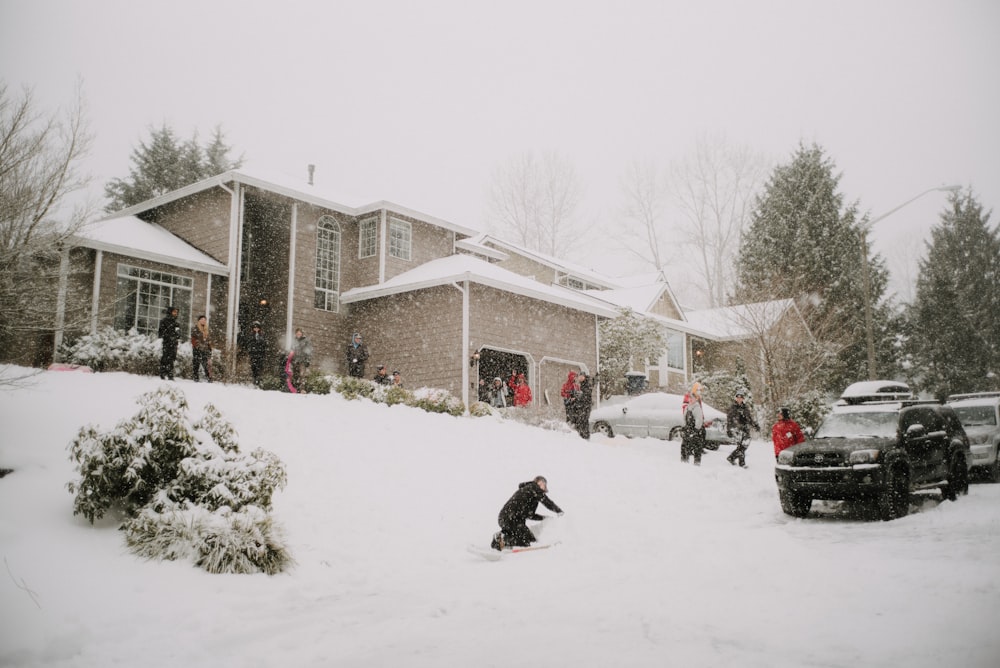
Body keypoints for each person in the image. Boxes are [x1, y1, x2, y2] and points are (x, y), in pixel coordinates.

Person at [491, 475, 564, 551]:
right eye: (540, 482)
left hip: (506, 518)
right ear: (535, 482)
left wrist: (544, 518)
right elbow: (546, 501)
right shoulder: (533, 487)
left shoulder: (529, 494)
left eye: (544, 484)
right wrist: (559, 511)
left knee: (525, 539)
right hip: (511, 518)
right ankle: (503, 540)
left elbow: (530, 515)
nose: (541, 485)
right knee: (529, 540)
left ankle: (499, 540)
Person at [726, 390, 760, 467]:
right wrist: (729, 429)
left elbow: (749, 418)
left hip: (745, 429)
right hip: (737, 429)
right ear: (736, 398)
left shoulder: (745, 408)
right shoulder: (733, 408)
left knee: (744, 446)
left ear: (743, 398)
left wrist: (755, 425)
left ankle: (732, 457)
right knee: (741, 446)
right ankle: (741, 463)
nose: (739, 399)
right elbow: (729, 419)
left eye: (741, 397)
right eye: (738, 397)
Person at [682, 381, 710, 465]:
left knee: (698, 444)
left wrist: (701, 422)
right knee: (685, 446)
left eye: (700, 390)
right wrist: (686, 426)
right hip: (689, 426)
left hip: (696, 427)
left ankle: (696, 462)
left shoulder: (698, 399)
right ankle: (684, 461)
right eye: (698, 390)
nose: (699, 392)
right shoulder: (689, 397)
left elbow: (699, 412)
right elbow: (685, 412)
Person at [157, 305, 181, 380]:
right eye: (174, 312)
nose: (176, 313)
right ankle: (163, 373)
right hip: (167, 343)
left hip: (174, 343)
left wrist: (176, 336)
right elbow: (161, 333)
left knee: (172, 358)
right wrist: (169, 336)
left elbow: (178, 333)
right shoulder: (163, 321)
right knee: (165, 358)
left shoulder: (176, 323)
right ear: (170, 312)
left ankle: (170, 374)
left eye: (176, 312)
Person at [286, 328, 312, 393]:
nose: (298, 334)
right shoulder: (294, 341)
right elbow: (292, 350)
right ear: (296, 334)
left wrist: (308, 360)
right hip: (295, 360)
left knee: (302, 375)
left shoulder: (306, 341)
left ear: (302, 334)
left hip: (303, 360)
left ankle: (302, 389)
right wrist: (290, 357)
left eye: (300, 333)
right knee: (295, 375)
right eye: (297, 333)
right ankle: (296, 389)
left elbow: (309, 351)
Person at [191, 315, 213, 382]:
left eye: (204, 320)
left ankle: (209, 377)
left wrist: (210, 348)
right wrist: (197, 346)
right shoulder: (195, 328)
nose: (203, 321)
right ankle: (195, 377)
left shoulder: (206, 329)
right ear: (199, 320)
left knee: (206, 364)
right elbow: (193, 339)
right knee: (196, 363)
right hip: (197, 349)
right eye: (202, 319)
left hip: (205, 349)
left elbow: (209, 340)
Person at [572, 370, 594, 439]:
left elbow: (586, 395)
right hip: (581, 407)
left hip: (585, 407)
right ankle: (582, 436)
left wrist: (579, 396)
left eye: (582, 376)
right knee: (580, 421)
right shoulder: (581, 384)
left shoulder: (586, 384)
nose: (580, 378)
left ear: (584, 377)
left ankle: (585, 437)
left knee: (583, 422)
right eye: (580, 377)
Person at [246, 321, 268, 387]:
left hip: (260, 354)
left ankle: (258, 381)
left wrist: (260, 342)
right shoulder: (250, 335)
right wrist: (251, 350)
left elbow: (265, 344)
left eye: (257, 328)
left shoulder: (262, 335)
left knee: (259, 368)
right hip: (253, 354)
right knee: (254, 368)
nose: (256, 329)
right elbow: (249, 344)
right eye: (255, 328)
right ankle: (254, 380)